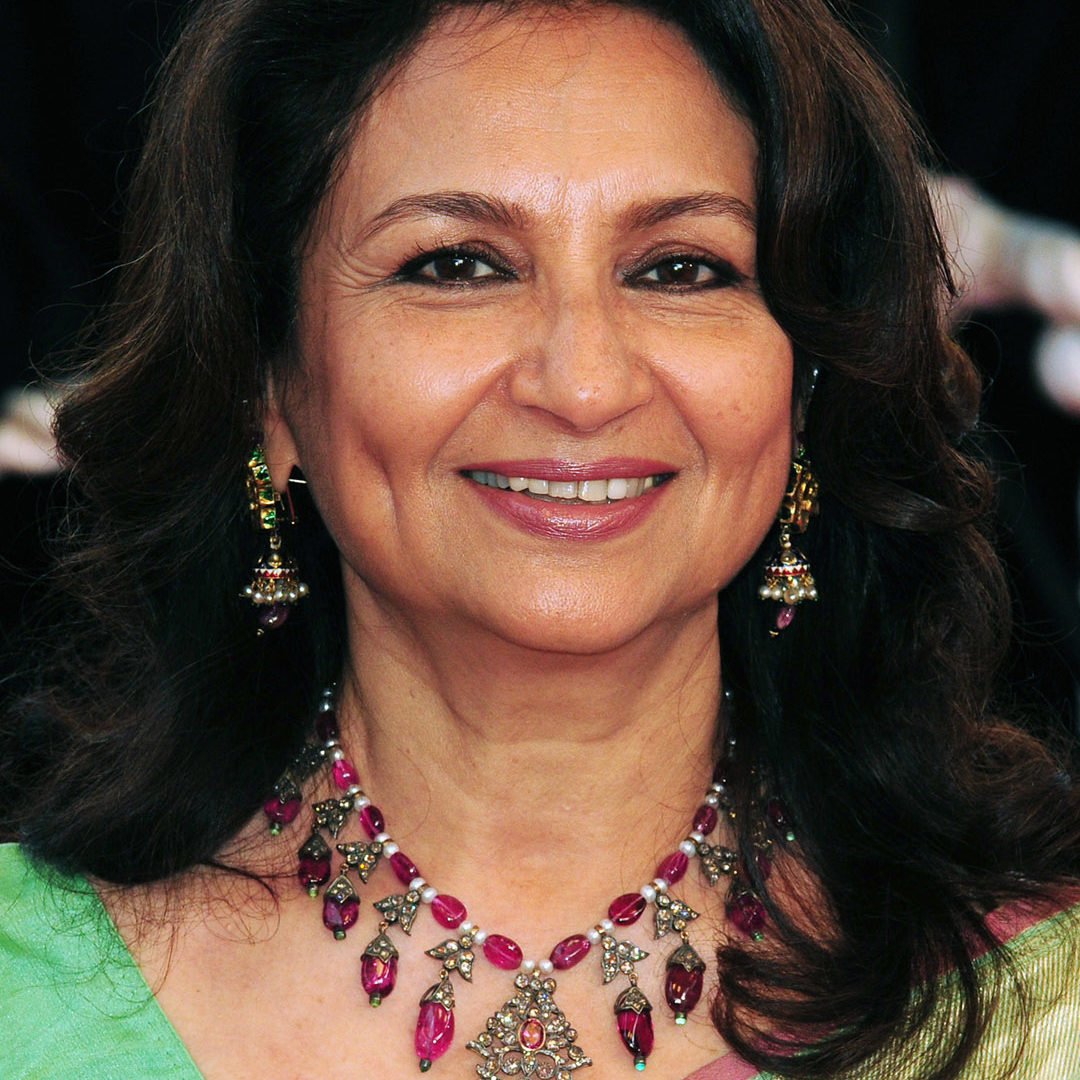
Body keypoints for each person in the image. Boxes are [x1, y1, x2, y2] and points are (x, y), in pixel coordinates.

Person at [2, 1, 1079, 1078]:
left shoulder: (1048, 1003)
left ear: (804, 387)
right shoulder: (28, 993)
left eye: (681, 268)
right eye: (459, 264)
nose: (583, 384)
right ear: (268, 383)